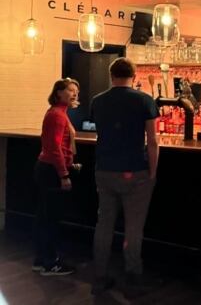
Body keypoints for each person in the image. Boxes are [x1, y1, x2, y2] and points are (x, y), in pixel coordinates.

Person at [90, 58, 159, 295]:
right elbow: (153, 141)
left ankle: (99, 277)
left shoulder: (97, 101)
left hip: (104, 169)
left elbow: (102, 133)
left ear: (111, 75)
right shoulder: (144, 100)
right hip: (134, 171)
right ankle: (132, 277)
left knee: (104, 225)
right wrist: (152, 172)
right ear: (135, 75)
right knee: (133, 227)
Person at [34, 78, 81, 276]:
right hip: (51, 171)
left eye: (76, 92)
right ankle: (50, 263)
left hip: (47, 168)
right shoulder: (58, 115)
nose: (74, 94)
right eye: (70, 90)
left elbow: (59, 146)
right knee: (51, 218)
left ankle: (42, 259)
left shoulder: (58, 112)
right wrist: (64, 174)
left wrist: (70, 163)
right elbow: (54, 148)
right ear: (59, 92)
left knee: (46, 217)